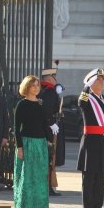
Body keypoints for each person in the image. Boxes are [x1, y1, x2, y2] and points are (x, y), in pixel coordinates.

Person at [77, 68, 104, 208]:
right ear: (91, 82)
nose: (102, 81)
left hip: (103, 141)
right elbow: (81, 103)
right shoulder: (86, 98)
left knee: (100, 178)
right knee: (89, 177)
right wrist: (86, 85)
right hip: (90, 142)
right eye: (98, 79)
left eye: (102, 79)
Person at [13, 75, 49, 208]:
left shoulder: (41, 105)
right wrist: (19, 147)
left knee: (40, 180)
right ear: (27, 87)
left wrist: (49, 141)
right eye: (33, 85)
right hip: (27, 143)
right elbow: (16, 128)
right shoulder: (22, 104)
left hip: (40, 144)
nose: (36, 88)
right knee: (27, 179)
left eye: (38, 85)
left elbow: (44, 126)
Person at [38, 68, 65, 196]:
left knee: (47, 157)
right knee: (50, 157)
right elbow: (47, 109)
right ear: (49, 78)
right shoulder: (49, 92)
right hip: (49, 129)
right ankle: (47, 186)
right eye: (54, 77)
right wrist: (51, 123)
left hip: (43, 127)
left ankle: (46, 185)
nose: (56, 80)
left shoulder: (41, 90)